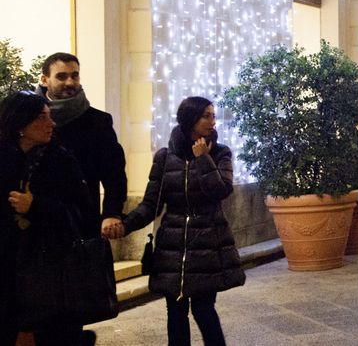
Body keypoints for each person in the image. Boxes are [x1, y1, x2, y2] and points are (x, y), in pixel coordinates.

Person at [116, 97, 244, 346]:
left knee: (204, 310)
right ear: (190, 119)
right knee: (175, 312)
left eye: (213, 115)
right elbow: (151, 204)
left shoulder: (220, 153)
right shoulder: (164, 158)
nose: (212, 121)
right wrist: (125, 225)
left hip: (208, 242)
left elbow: (221, 191)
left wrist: (203, 160)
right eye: (206, 116)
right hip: (172, 246)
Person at [1, 91, 95, 346]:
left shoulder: (60, 159)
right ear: (21, 122)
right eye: (42, 117)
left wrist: (36, 206)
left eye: (50, 116)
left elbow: (82, 213)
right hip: (9, 275)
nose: (51, 124)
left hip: (54, 275)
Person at [37, 53, 127, 239]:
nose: (70, 82)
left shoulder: (98, 122)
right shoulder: (28, 119)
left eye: (74, 75)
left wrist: (111, 213)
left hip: (82, 221)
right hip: (36, 221)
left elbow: (114, 173)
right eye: (61, 76)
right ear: (44, 80)